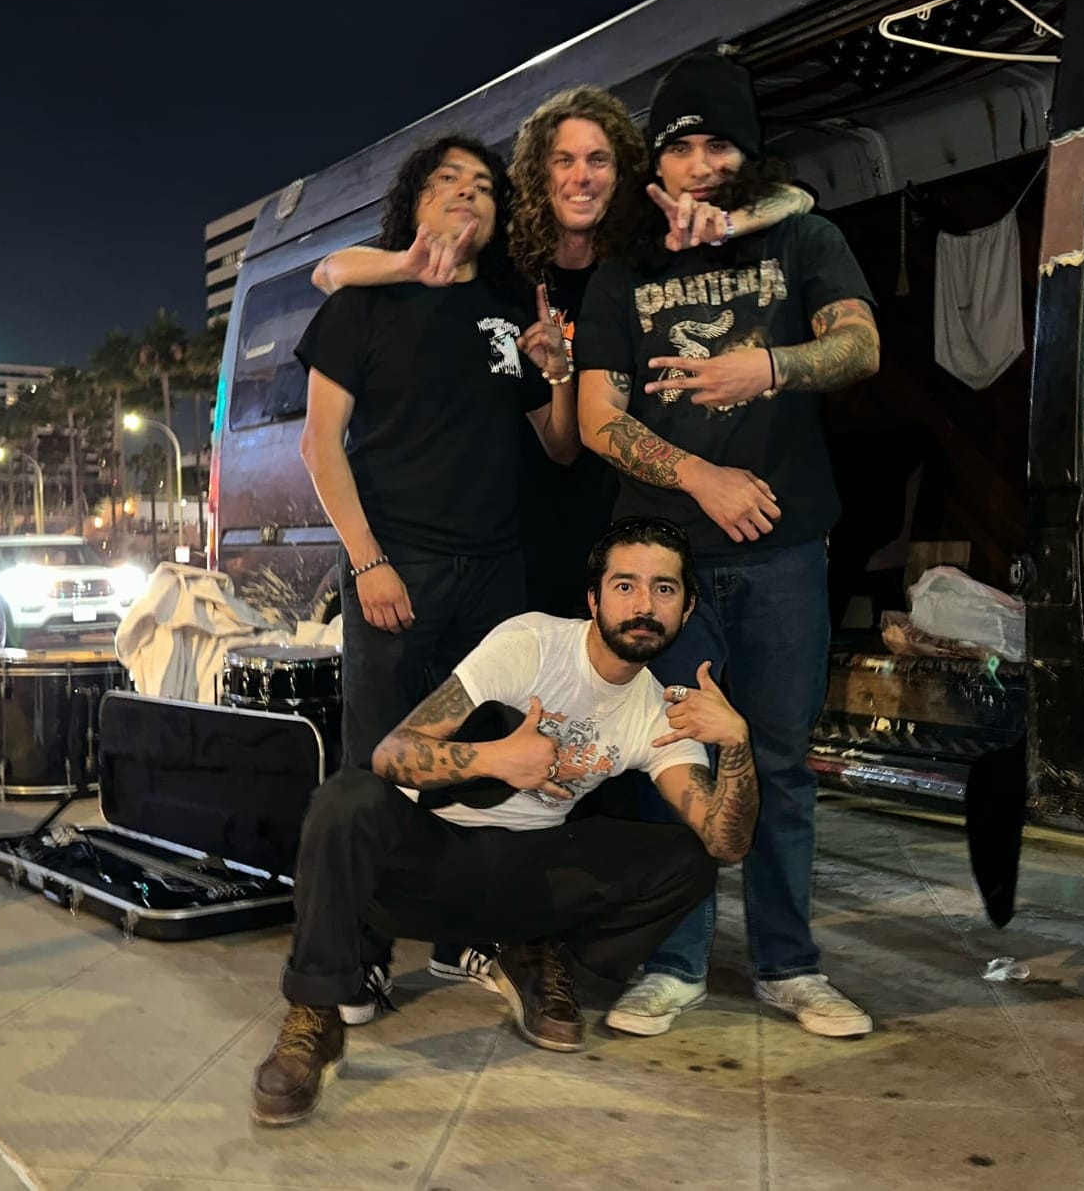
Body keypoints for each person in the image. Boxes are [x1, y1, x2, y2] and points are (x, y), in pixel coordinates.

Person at [251, 517, 758, 1126]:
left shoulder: (658, 710)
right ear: (594, 599)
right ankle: (316, 1016)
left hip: (527, 876)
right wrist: (496, 759)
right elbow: (391, 754)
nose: (644, 604)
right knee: (345, 799)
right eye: (625, 586)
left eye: (664, 589)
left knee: (688, 861)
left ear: (687, 606)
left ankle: (537, 958)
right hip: (432, 861)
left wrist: (737, 743)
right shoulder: (534, 643)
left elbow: (724, 841)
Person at [575, 51, 882, 1039]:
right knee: (671, 755)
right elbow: (593, 417)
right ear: (654, 167)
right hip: (666, 565)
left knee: (783, 761)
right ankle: (674, 964)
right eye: (681, 147)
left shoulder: (802, 237)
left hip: (785, 551)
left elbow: (860, 345)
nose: (700, 163)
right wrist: (700, 475)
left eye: (718, 144)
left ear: (745, 155)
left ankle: (791, 966)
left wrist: (770, 368)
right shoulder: (626, 269)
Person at [311, 86, 816, 618]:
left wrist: (732, 222)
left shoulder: (646, 255)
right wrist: (405, 266)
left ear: (622, 171)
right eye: (564, 161)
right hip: (519, 536)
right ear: (538, 173)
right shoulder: (506, 267)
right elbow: (328, 272)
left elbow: (796, 198)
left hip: (634, 522)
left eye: (599, 160)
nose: (582, 177)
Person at [294, 134, 578, 988]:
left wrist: (559, 373)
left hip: (495, 575)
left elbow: (559, 449)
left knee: (486, 764)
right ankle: (360, 957)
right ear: (414, 204)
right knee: (377, 767)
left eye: (484, 186)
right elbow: (318, 445)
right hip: (399, 569)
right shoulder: (362, 303)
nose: (468, 194)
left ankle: (464, 936)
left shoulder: (501, 311)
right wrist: (368, 562)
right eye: (448, 180)